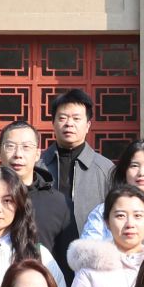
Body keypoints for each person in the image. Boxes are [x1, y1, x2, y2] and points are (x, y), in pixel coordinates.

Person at [0, 120, 78, 280]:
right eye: (10, 146)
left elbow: (68, 268)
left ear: (37, 154)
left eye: (26, 147)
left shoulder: (59, 204)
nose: (18, 154)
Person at [45, 87, 115, 224]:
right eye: (62, 118)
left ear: (88, 125)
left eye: (76, 118)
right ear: (53, 123)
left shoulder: (106, 169)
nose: (69, 124)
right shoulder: (37, 165)